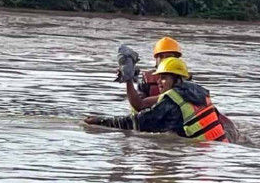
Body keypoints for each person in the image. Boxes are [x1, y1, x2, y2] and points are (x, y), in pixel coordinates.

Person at [85, 57, 238, 143]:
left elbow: (136, 123)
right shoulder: (198, 91)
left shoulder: (171, 103)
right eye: (158, 78)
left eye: (163, 78)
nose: (159, 82)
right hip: (221, 146)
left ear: (176, 78)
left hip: (203, 153)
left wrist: (100, 122)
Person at [125, 36, 184, 112]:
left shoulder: (184, 81)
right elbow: (138, 103)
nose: (164, 60)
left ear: (177, 59)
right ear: (156, 59)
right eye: (161, 57)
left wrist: (128, 79)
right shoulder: (147, 79)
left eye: (169, 57)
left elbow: (140, 104)